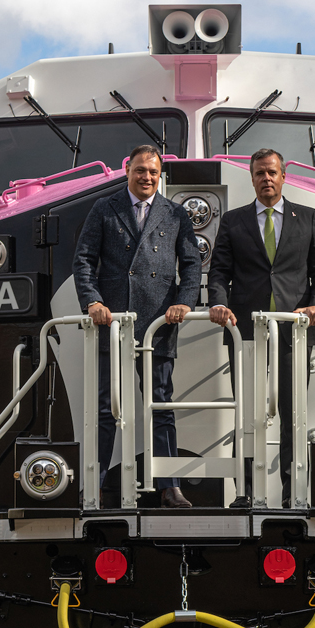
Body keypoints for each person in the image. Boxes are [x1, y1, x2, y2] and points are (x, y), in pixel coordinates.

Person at [73, 144, 202, 508]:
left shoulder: (176, 214)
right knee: (105, 408)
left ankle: (170, 486)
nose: (146, 177)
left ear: (160, 175)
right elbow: (83, 261)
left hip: (158, 324)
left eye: (153, 172)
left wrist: (185, 302)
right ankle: (95, 485)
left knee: (161, 405)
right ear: (126, 170)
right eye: (140, 170)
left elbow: (192, 266)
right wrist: (92, 302)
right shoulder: (104, 208)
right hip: (112, 323)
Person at [208, 148, 315, 508]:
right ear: (251, 178)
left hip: (294, 332)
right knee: (246, 414)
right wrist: (219, 303)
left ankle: (294, 495)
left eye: (272, 172)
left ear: (283, 176)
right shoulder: (233, 222)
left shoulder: (307, 218)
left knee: (294, 415)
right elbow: (219, 272)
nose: (266, 178)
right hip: (245, 332)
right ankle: (246, 493)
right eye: (260, 173)